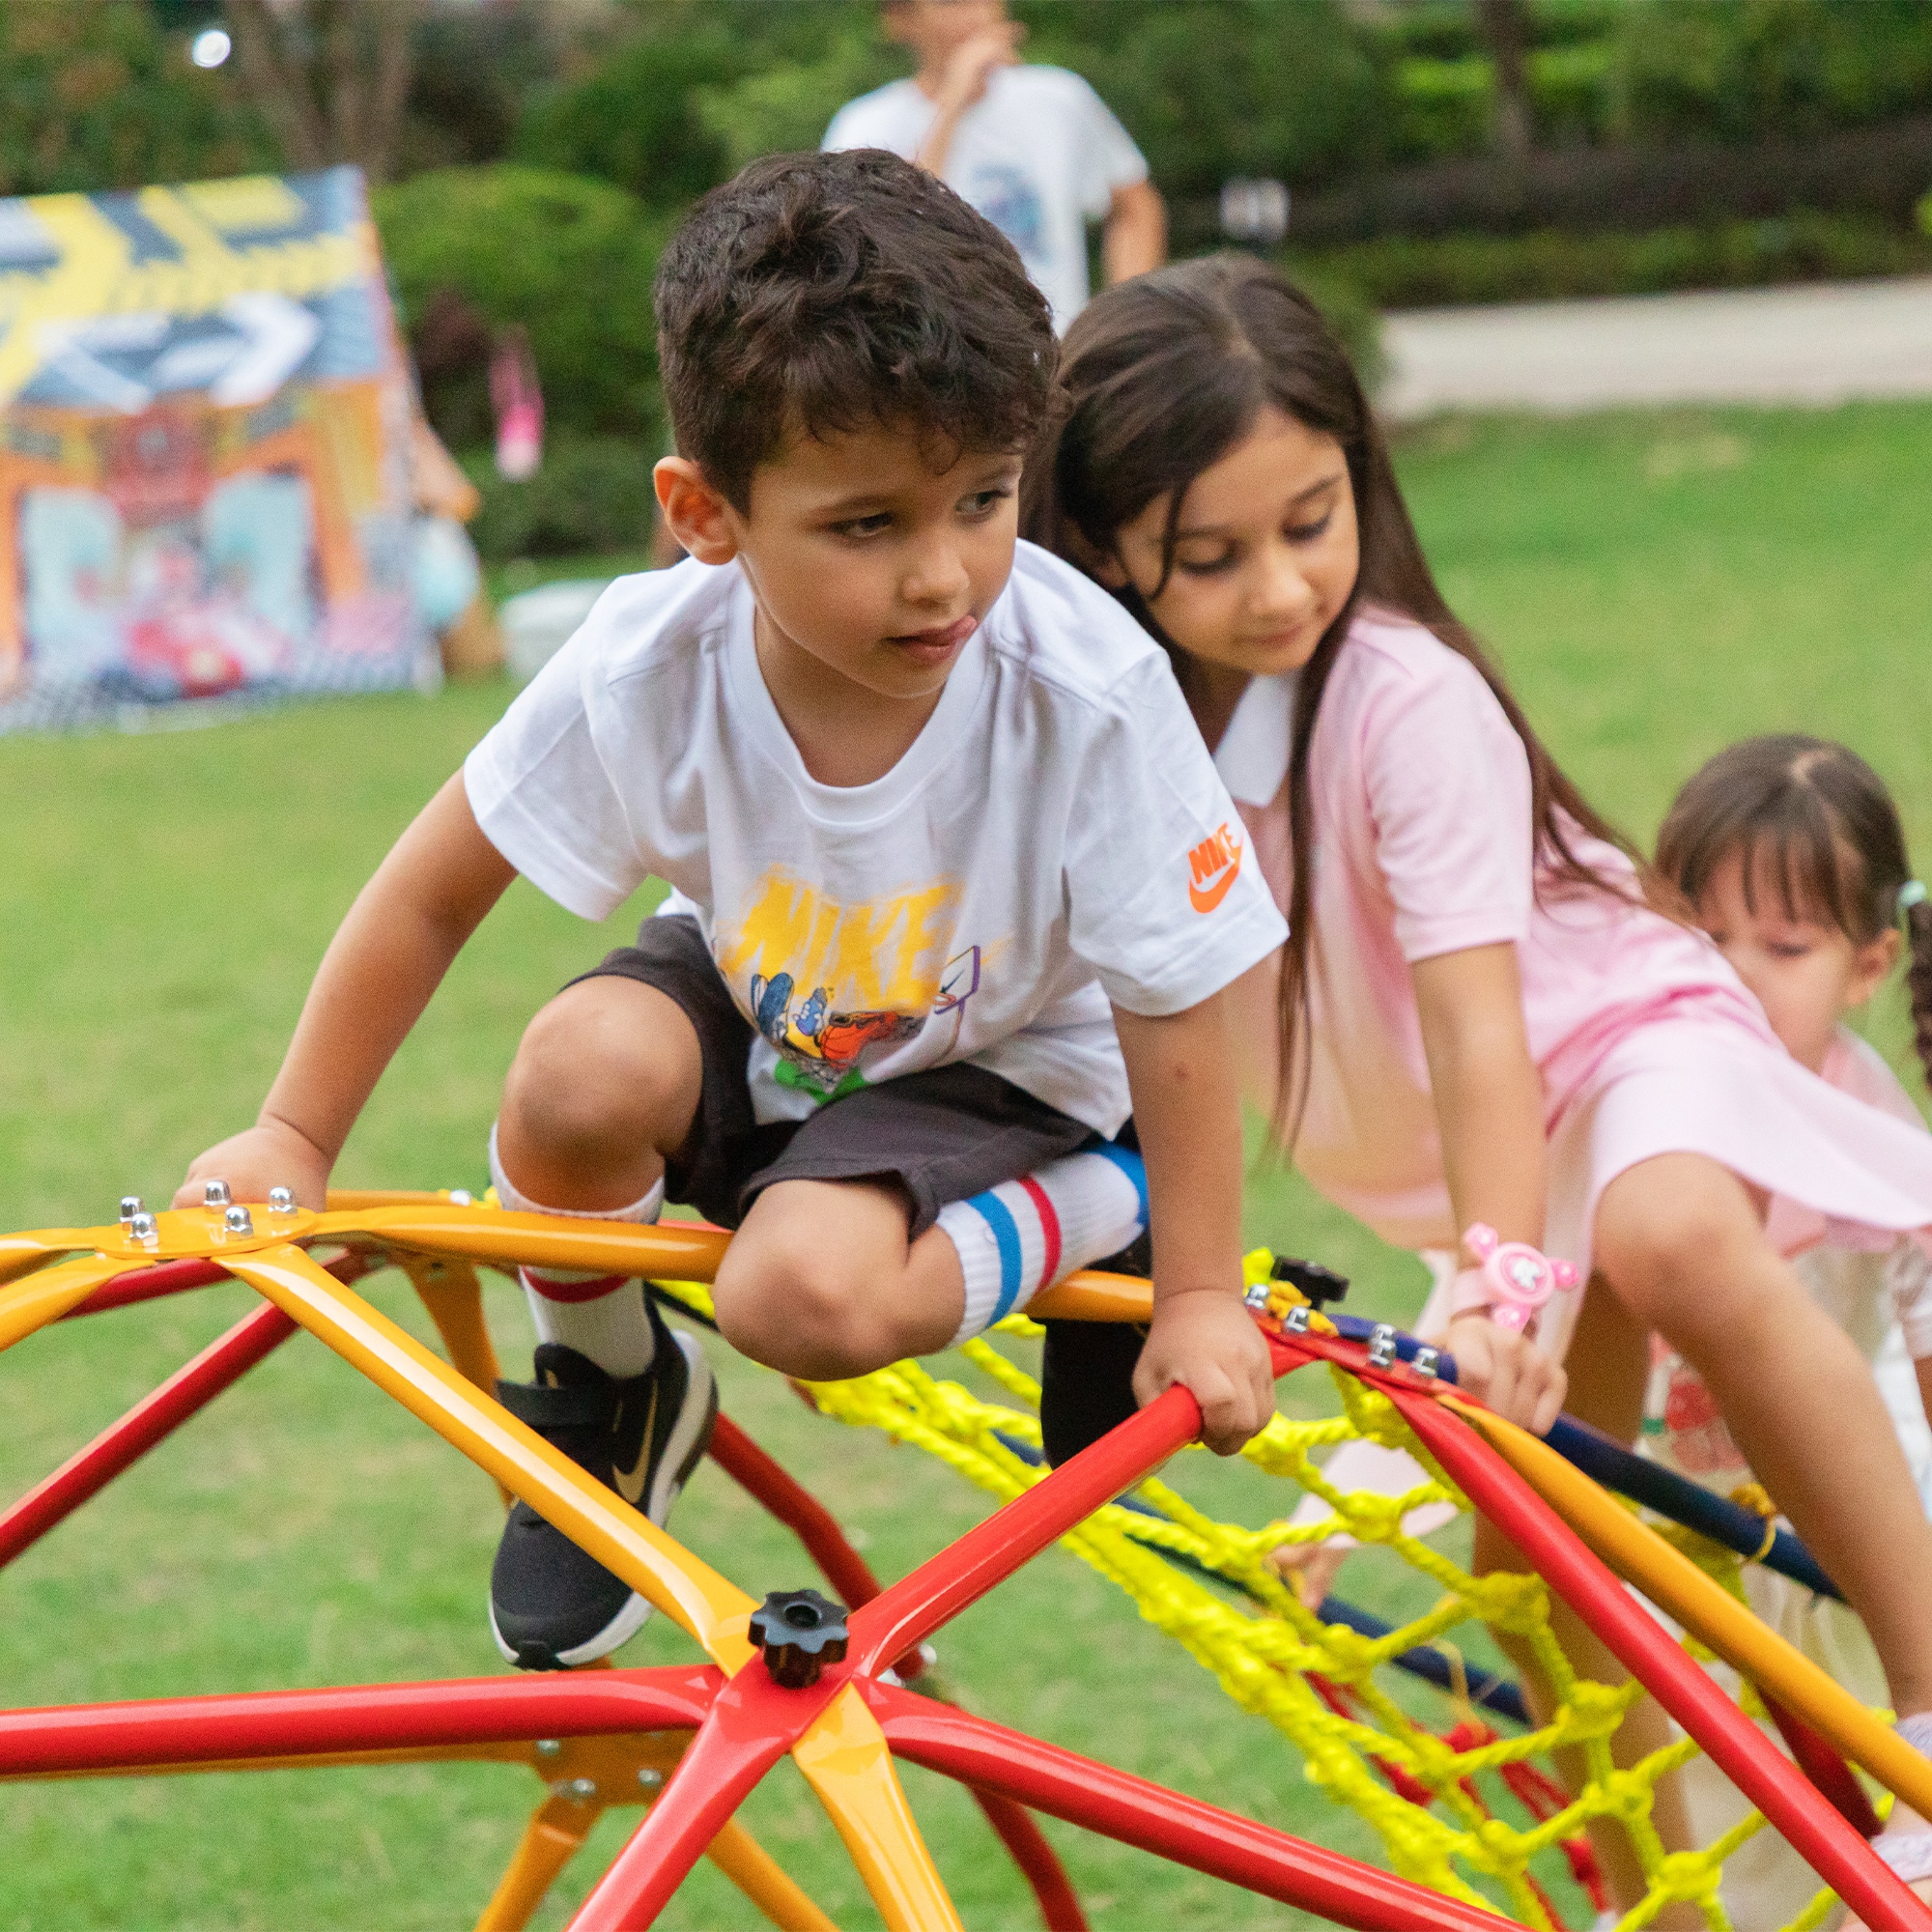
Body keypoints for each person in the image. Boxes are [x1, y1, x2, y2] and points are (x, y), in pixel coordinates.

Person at [173, 153, 1284, 1675]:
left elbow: (1178, 985)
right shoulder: (648, 664)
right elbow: (431, 896)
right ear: (705, 514)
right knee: (573, 1075)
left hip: (1018, 1058)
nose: (946, 575)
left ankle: (1117, 1195)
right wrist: (293, 1136)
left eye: (984, 500)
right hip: (779, 1002)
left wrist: (1203, 1291)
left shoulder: (1077, 685)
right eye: (869, 524)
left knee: (796, 1288)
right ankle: (613, 1384)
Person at [1021, 252, 1932, 1916]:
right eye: (1211, 557)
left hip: (1617, 1056)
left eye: (1315, 518)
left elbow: (1479, 1028)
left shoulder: (1406, 696)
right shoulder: (1123, 738)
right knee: (1541, 1535)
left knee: (1668, 1232)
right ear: (1103, 551)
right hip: (1489, 1162)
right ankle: (1646, 1886)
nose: (1285, 586)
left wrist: (1504, 1282)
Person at [1646, 737, 1932, 1927]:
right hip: (1683, 1515)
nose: (1735, 976)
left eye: (1783, 946)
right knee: (1731, 1814)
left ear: (1867, 962)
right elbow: (1493, 1283)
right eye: (1703, 937)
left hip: (1850, 1494)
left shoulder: (1862, 1119)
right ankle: (1657, 1898)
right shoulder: (1646, 1091)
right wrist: (1330, 1506)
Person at [822, 0, 1164, 331]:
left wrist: (1117, 325)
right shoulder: (865, 125)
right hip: (934, 363)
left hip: (1058, 360)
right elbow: (878, 245)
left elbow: (1136, 207)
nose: (977, 12)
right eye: (951, 3)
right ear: (899, 19)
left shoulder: (1057, 99)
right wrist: (952, 106)